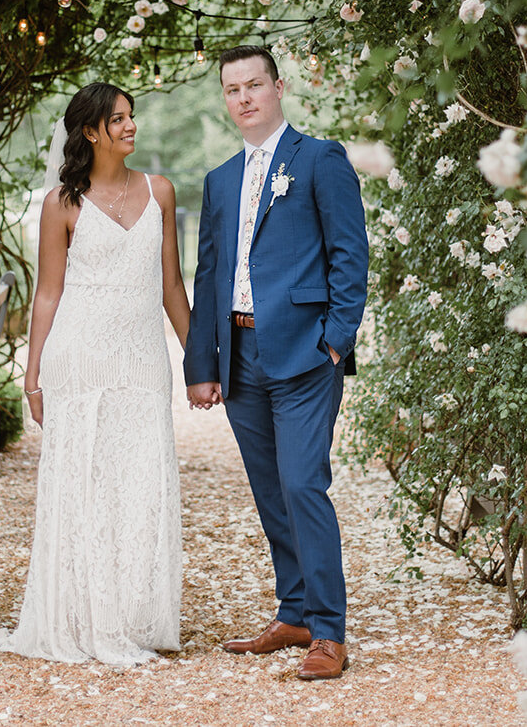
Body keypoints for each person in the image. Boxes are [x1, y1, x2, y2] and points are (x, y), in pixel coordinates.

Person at [183, 45, 369, 681]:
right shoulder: (220, 181)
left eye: (254, 85)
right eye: (232, 90)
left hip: (304, 354)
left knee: (301, 484)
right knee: (269, 491)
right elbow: (210, 274)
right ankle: (293, 611)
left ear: (278, 87)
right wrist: (200, 364)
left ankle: (327, 631)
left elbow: (350, 256)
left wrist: (336, 339)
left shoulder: (320, 160)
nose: (243, 98)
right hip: (239, 356)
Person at [0, 82, 190, 665]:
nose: (131, 126)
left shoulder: (161, 192)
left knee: (142, 485)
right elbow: (48, 295)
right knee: (83, 487)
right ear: (90, 131)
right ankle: (81, 616)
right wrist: (33, 378)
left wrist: (201, 360)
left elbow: (172, 287)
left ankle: (133, 613)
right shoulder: (62, 204)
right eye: (118, 119)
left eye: (132, 117)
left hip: (142, 359)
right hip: (77, 360)